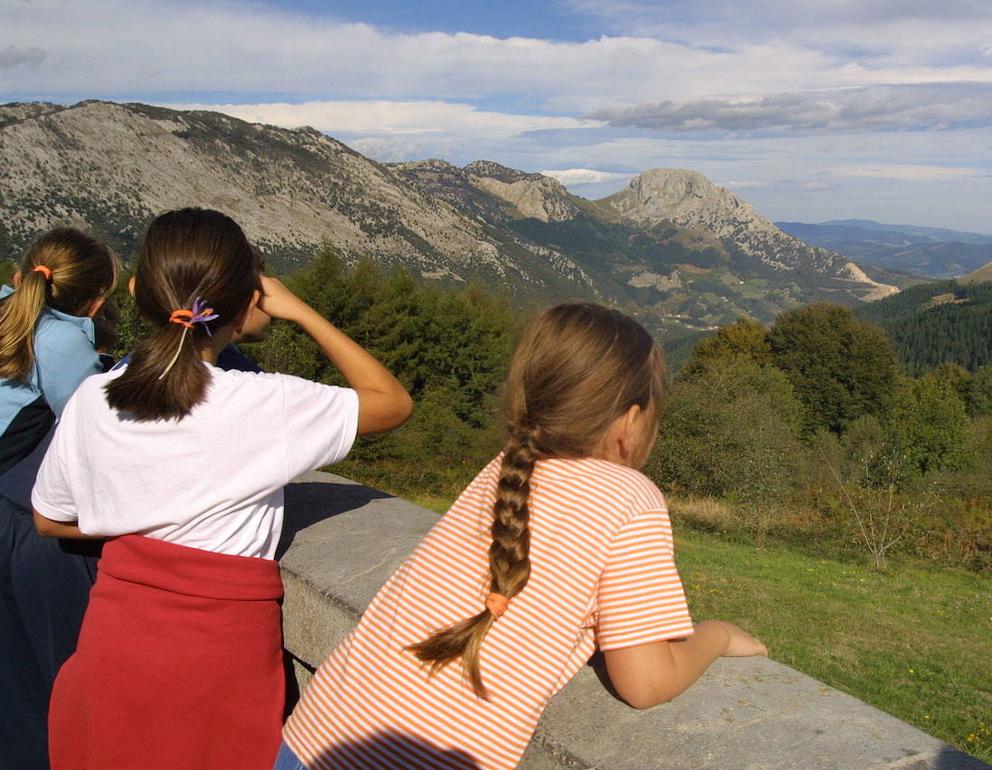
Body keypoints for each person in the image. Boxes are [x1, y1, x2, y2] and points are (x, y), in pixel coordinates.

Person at [279, 302, 768, 770]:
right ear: (631, 420)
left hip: (314, 734)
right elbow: (645, 682)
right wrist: (716, 635)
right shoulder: (631, 497)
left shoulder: (507, 466)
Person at [30, 208, 413, 770]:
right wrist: (300, 311)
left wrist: (139, 517)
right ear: (247, 301)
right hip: (216, 655)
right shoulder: (265, 403)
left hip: (116, 641)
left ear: (139, 295)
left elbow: (49, 517)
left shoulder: (95, 398)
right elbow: (392, 402)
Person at [0, 228, 118, 770]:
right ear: (95, 301)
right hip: (16, 518)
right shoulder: (61, 338)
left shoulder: (7, 308)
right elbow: (87, 425)